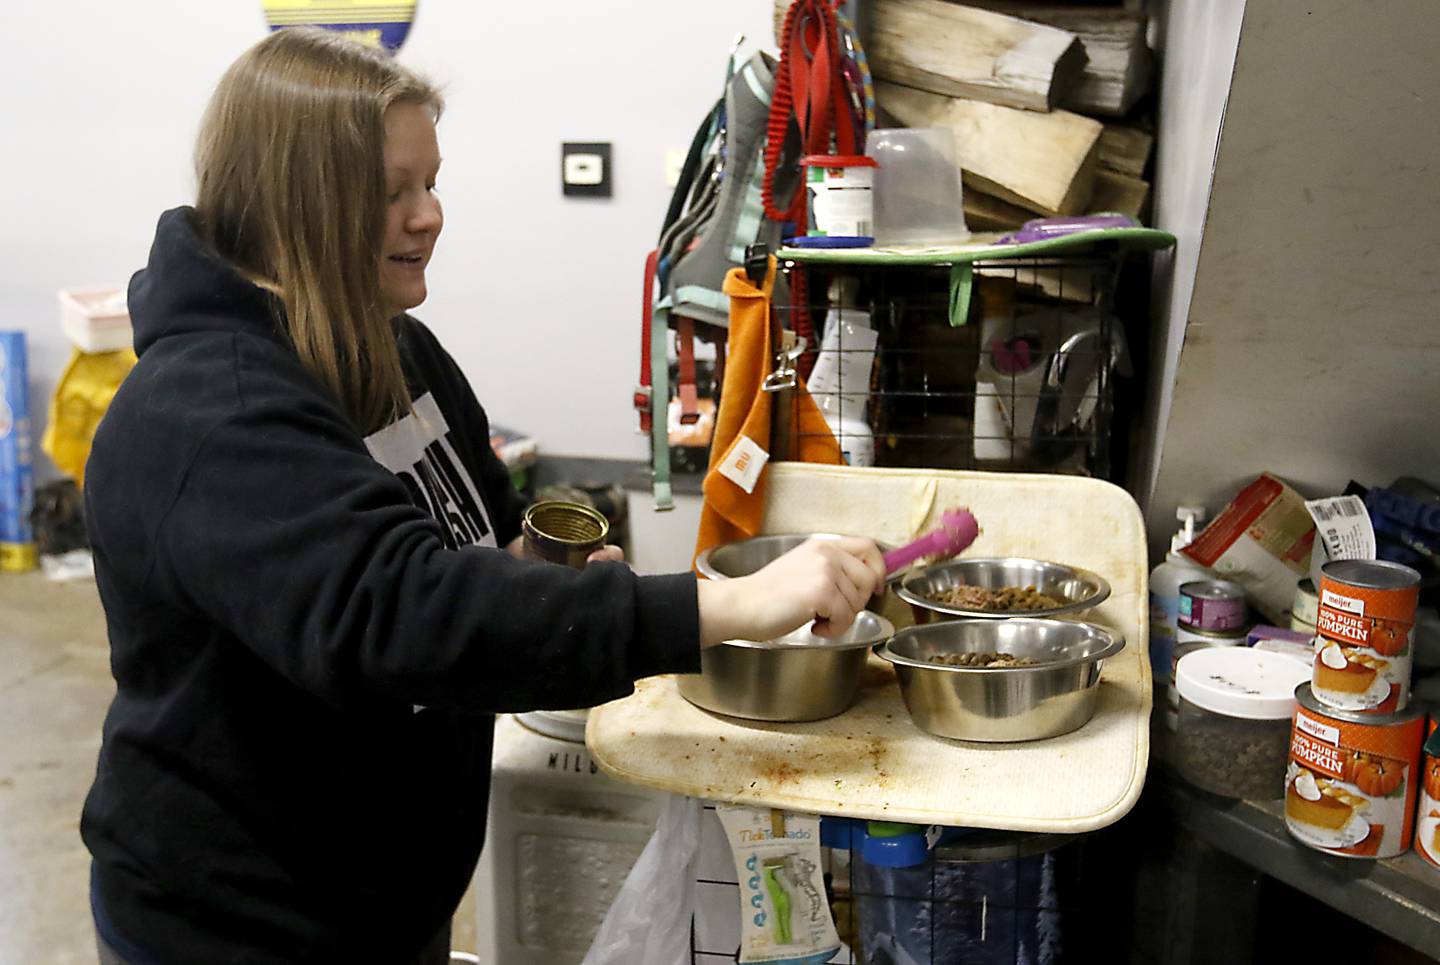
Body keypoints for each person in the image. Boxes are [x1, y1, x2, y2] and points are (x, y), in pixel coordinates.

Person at [80, 27, 885, 965]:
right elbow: (399, 611)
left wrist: (544, 579)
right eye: (393, 192)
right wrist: (732, 605)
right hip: (238, 928)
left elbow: (481, 544)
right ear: (301, 204)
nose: (429, 217)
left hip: (377, 905)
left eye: (431, 182)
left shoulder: (390, 349)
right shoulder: (207, 411)